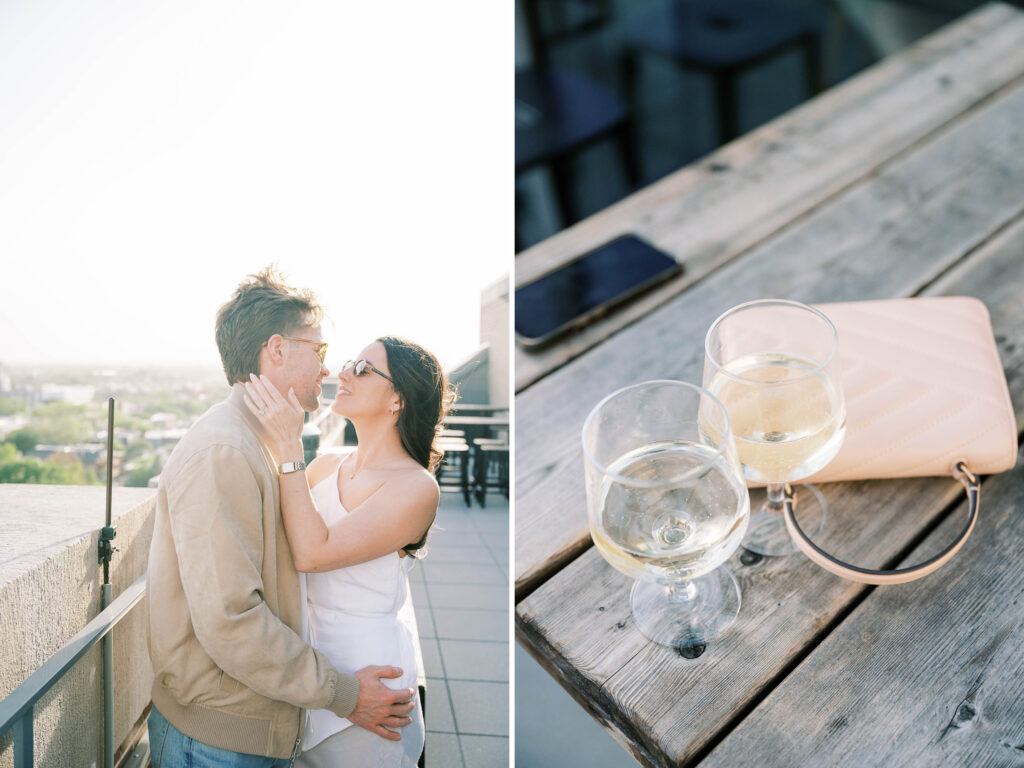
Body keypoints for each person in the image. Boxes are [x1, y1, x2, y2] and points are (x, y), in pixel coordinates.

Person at [146, 268, 416, 767]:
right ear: (276, 349)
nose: (328, 368)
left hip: (248, 727)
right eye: (318, 350)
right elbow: (232, 620)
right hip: (217, 743)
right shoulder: (224, 450)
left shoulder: (262, 442)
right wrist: (344, 693)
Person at [242, 335, 454, 767]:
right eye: (348, 363)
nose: (342, 374)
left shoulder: (416, 488)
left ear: (398, 398)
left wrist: (288, 446)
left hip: (371, 686)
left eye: (362, 369)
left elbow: (312, 554)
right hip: (309, 679)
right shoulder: (325, 465)